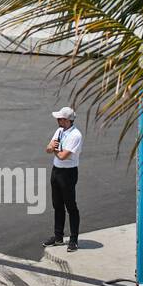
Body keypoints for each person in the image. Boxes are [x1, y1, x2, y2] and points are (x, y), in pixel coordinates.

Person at [43, 107, 84, 252]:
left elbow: (62, 156)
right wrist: (51, 148)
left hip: (68, 174)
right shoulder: (59, 131)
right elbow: (48, 149)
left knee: (71, 207)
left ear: (67, 120)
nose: (57, 120)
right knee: (57, 205)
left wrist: (53, 149)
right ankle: (58, 237)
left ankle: (74, 240)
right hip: (56, 171)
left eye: (60, 118)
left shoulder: (75, 136)